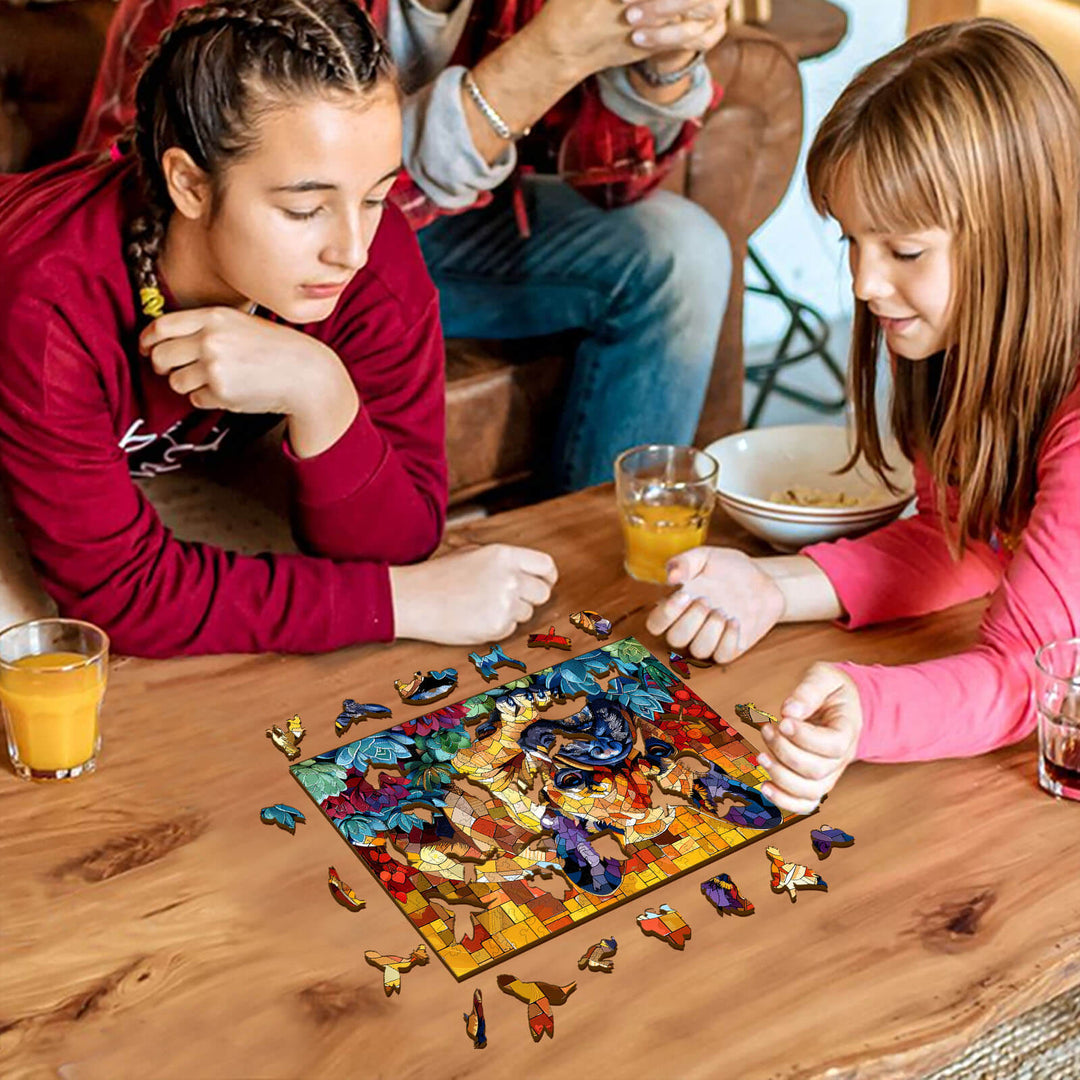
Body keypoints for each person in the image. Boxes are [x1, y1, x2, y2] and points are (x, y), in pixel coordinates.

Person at [0, 0, 556, 655]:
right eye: (305, 209)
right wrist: (402, 602)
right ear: (189, 185)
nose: (351, 248)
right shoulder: (49, 299)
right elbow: (123, 598)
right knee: (33, 648)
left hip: (100, 449)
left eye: (375, 196)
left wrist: (321, 390)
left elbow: (403, 538)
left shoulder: (371, 254)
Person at [646, 18, 1080, 813]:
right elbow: (966, 537)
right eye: (852, 240)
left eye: (904, 252)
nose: (862, 283)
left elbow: (1033, 673)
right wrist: (772, 587)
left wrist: (868, 709)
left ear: (1023, 236)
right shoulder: (963, 346)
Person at [77, 0, 734, 492]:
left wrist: (660, 63)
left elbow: (617, 187)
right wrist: (544, 59)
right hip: (230, 247)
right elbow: (160, 206)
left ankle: (604, 566)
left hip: (433, 223)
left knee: (680, 251)